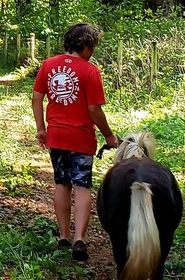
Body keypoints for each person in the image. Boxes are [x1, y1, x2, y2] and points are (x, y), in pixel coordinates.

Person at [31, 22, 120, 262]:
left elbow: (37, 97)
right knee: (82, 186)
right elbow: (94, 109)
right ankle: (79, 238)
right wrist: (109, 135)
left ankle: (63, 235)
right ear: (86, 45)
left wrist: (41, 129)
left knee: (61, 184)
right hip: (81, 137)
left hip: (57, 136)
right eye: (93, 46)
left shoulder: (48, 65)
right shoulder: (90, 71)